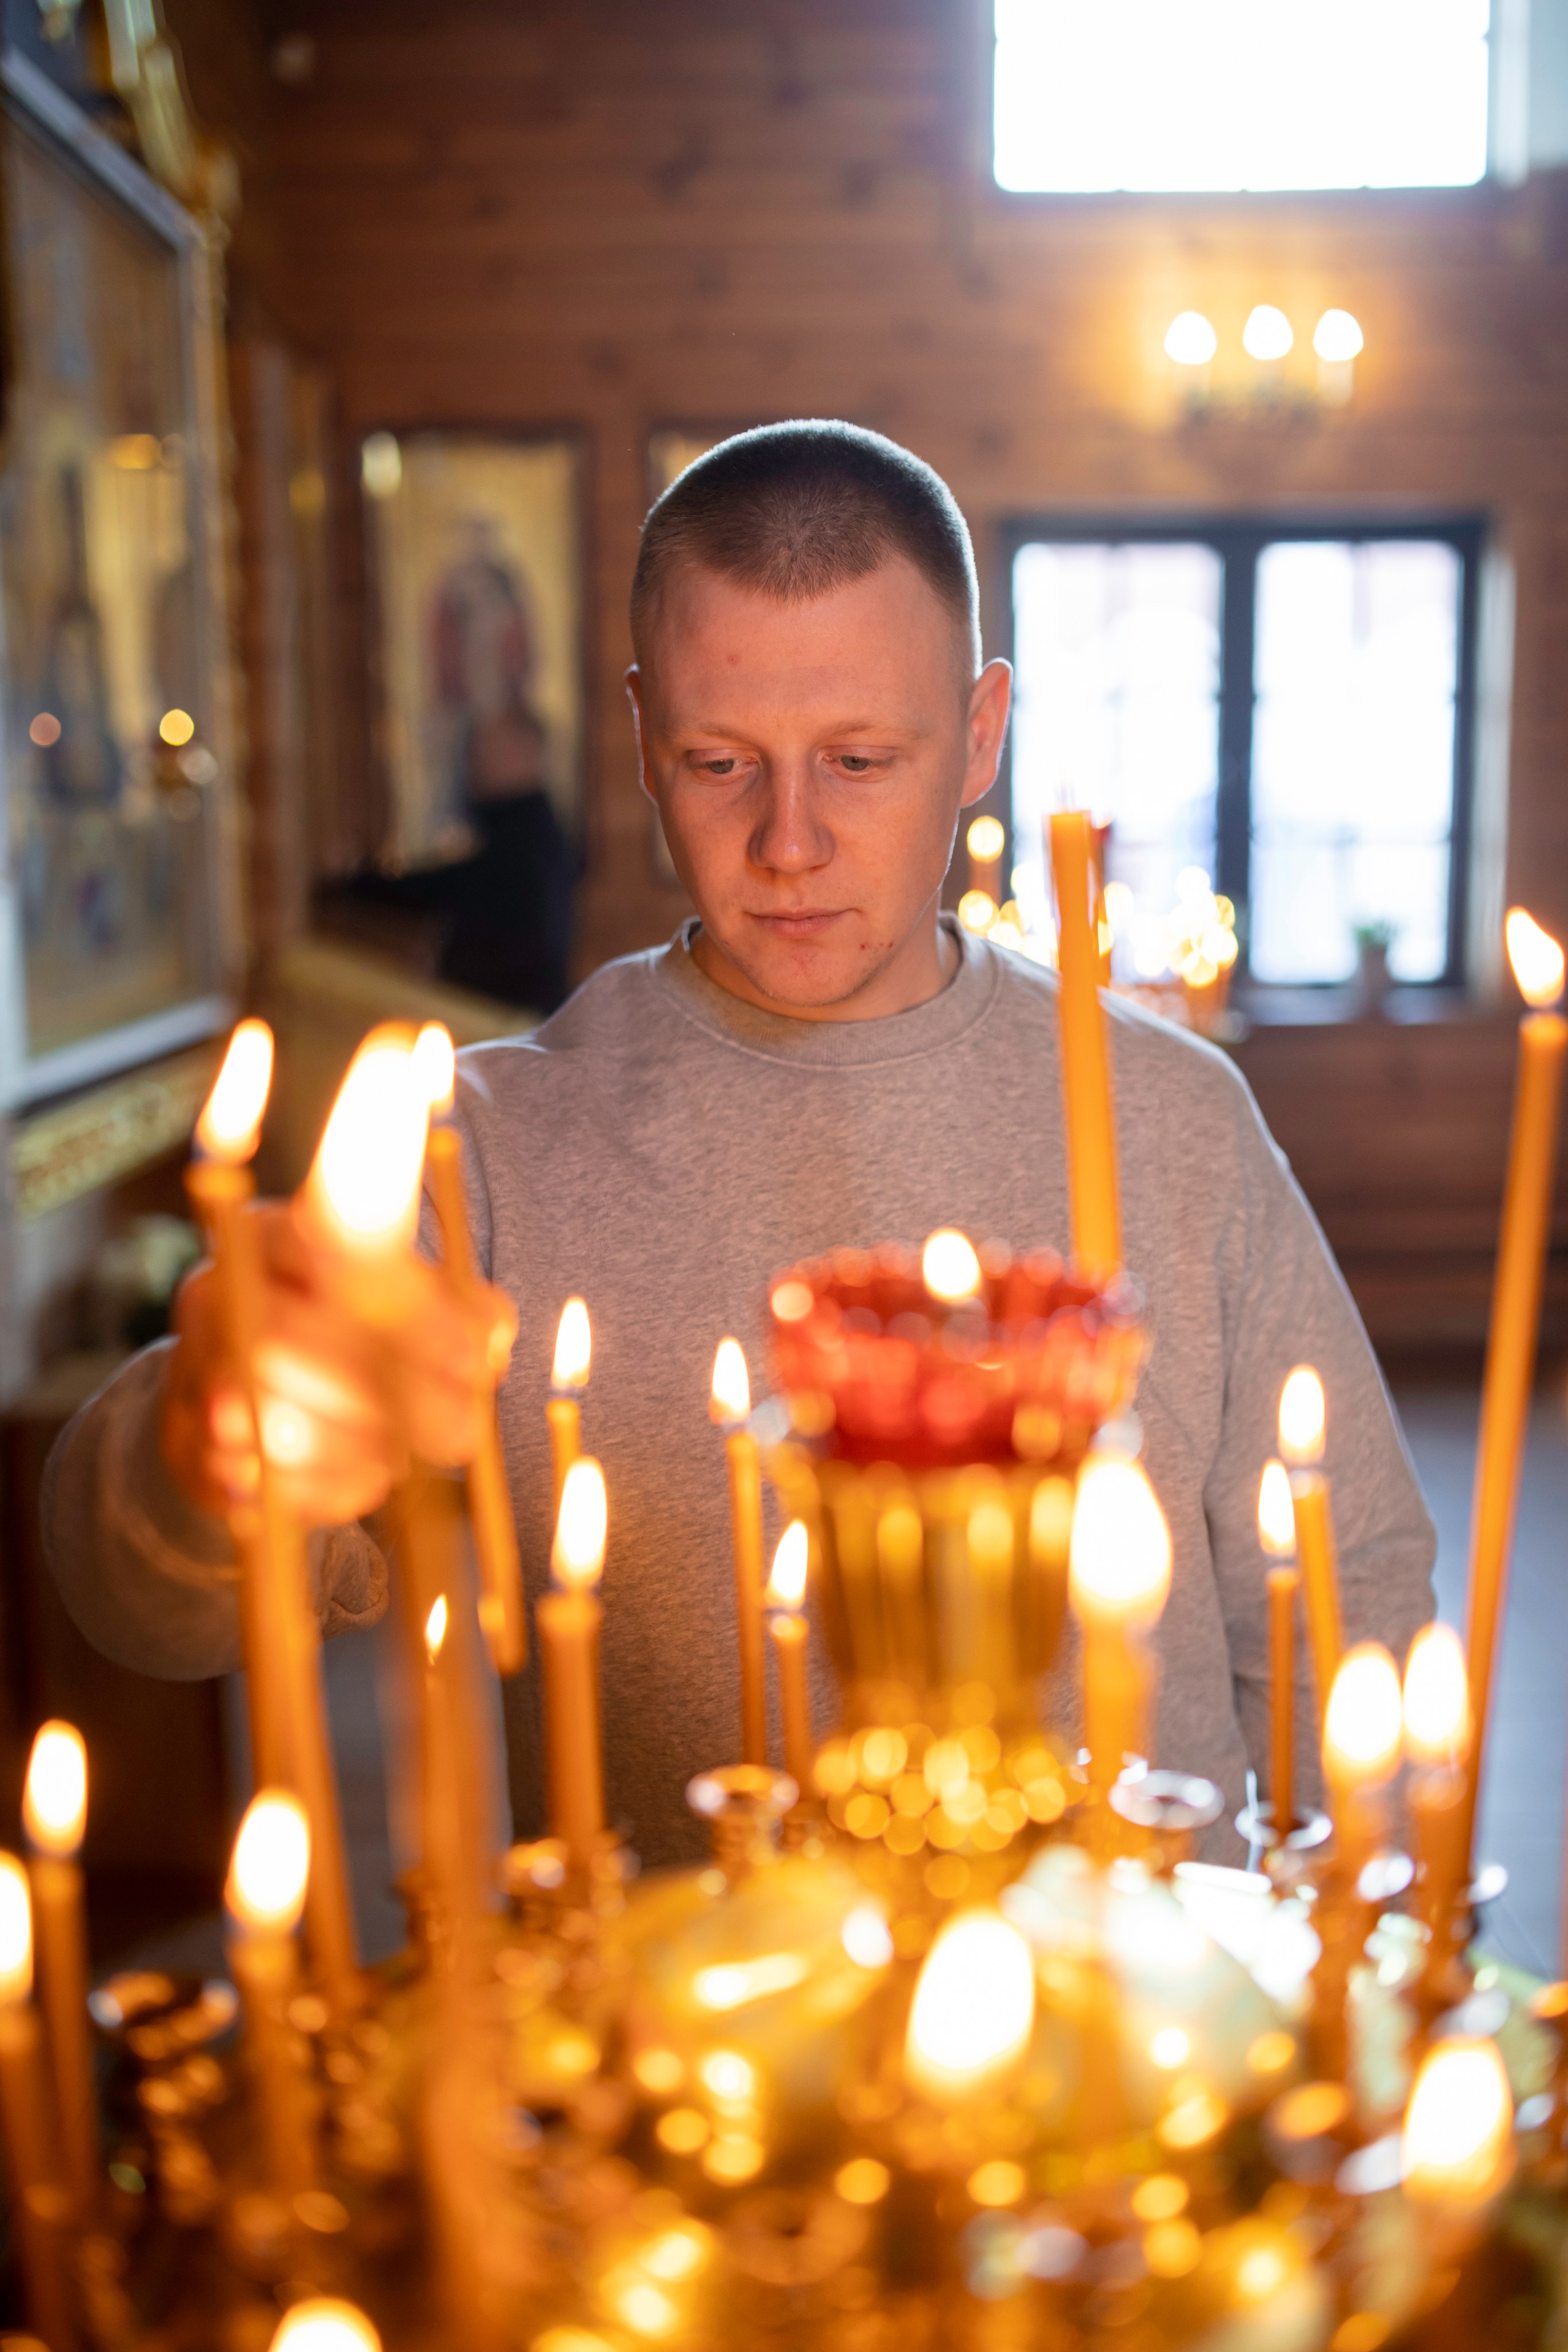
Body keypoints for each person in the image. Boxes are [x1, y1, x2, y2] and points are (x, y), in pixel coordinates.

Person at [44, 421, 1435, 1869]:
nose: (787, 840)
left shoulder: (1174, 1114)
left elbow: (1353, 1589)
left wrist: (1344, 1968)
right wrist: (206, 1448)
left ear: (977, 736)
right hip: (685, 2057)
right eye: (720, 761)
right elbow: (147, 1606)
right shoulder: (490, 1146)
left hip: (1140, 2035)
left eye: (856, 758)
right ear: (644, 734)